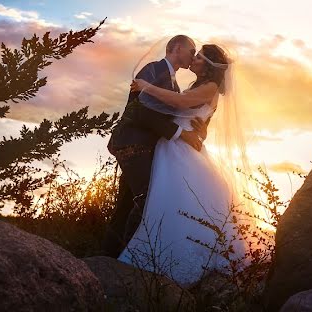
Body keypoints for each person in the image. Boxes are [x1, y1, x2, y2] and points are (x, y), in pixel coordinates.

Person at [118, 43, 250, 284]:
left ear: (208, 65)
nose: (194, 60)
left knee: (171, 201)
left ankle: (174, 264)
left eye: (198, 57)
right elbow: (196, 119)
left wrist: (146, 87)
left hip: (182, 151)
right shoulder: (198, 85)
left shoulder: (210, 87)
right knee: (160, 200)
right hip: (174, 146)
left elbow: (180, 103)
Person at [102, 35, 206, 258]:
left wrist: (197, 130)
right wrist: (180, 134)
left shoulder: (175, 85)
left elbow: (170, 116)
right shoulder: (152, 70)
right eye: (191, 50)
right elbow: (140, 110)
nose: (193, 55)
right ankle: (126, 257)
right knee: (146, 199)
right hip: (131, 143)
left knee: (126, 202)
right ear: (176, 48)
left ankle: (108, 256)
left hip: (144, 148)